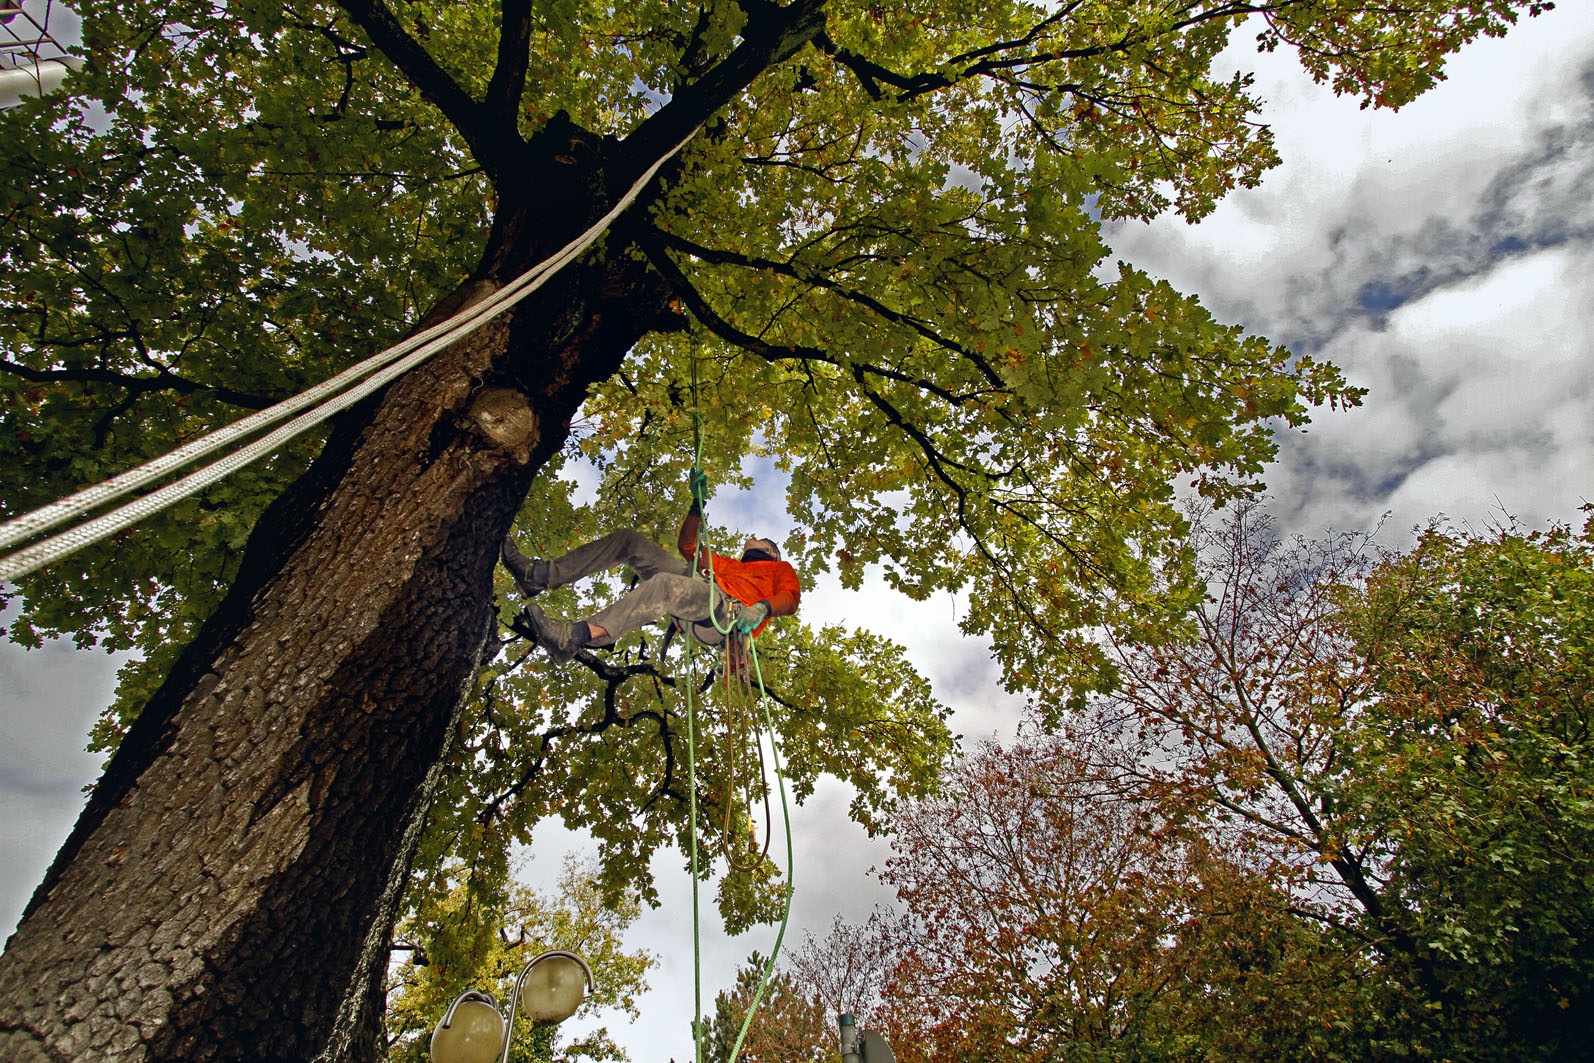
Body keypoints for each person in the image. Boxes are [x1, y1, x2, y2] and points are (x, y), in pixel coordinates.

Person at [501, 473, 800, 663]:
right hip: (703, 587)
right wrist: (697, 506)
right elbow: (687, 546)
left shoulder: (779, 569)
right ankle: (537, 576)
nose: (750, 537)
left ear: (770, 552)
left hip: (726, 614)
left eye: (757, 538)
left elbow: (790, 599)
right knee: (629, 541)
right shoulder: (726, 564)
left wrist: (760, 609)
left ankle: (573, 638)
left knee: (667, 586)